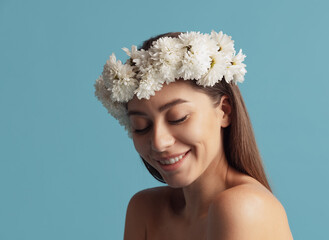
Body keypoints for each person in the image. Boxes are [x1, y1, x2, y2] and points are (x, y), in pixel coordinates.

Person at [94, 31, 293, 240]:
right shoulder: (144, 209)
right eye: (141, 126)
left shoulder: (242, 207)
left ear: (224, 111)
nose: (159, 142)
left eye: (178, 118)